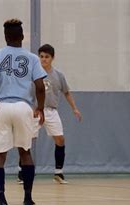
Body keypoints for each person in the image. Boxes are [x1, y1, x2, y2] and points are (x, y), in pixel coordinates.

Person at [0, 19, 46, 205]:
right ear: (22, 36)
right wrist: (40, 108)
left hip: (1, 107)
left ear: (5, 37)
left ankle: (1, 202)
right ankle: (28, 199)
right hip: (23, 106)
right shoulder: (32, 58)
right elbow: (40, 86)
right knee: (25, 152)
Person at [18, 44, 82, 184]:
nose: (43, 59)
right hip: (34, 110)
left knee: (60, 140)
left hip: (51, 111)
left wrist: (74, 108)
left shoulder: (58, 75)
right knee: (27, 140)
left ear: (52, 58)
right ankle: (22, 172)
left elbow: (66, 92)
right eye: (41, 56)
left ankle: (58, 173)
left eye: (47, 57)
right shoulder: (32, 73)